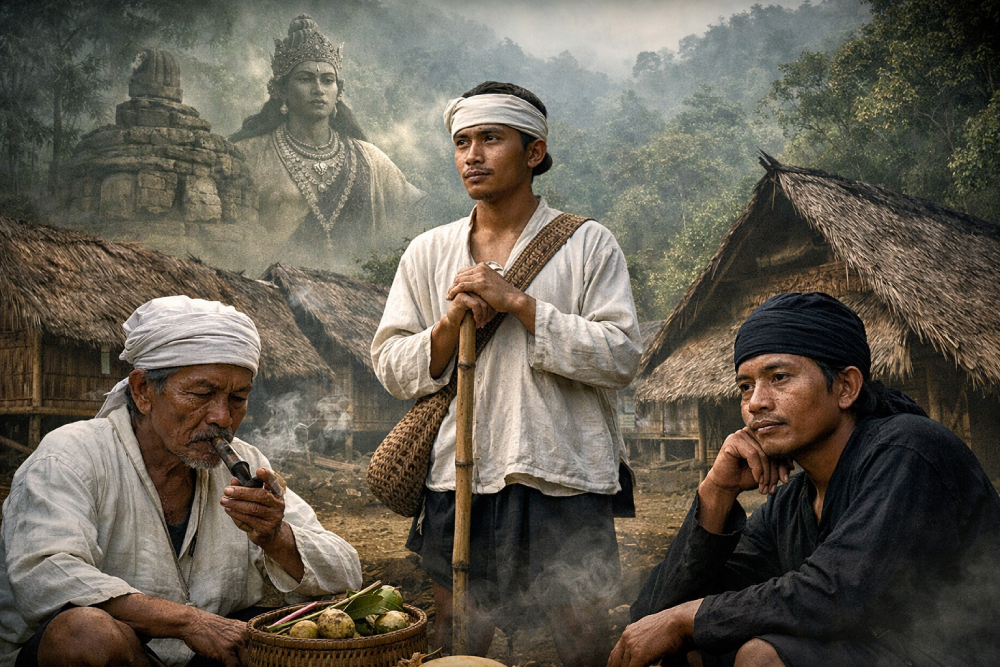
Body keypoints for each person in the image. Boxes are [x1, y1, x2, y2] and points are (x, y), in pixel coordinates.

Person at [372, 81, 642, 667]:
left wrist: (519, 304)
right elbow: (392, 365)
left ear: (534, 152)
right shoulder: (426, 252)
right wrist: (448, 325)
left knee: (580, 632)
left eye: (490, 139)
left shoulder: (590, 244)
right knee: (455, 629)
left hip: (562, 476)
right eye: (462, 141)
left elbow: (621, 355)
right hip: (458, 478)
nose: (472, 155)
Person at [610, 292, 1000, 667]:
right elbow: (653, 615)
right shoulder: (794, 500)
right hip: (870, 649)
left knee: (760, 655)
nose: (756, 402)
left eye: (779, 377)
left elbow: (835, 593)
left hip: (952, 655)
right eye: (745, 386)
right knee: (691, 647)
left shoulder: (908, 451)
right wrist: (717, 492)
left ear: (845, 387)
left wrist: (686, 619)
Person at [0, 296, 363, 667]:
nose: (222, 417)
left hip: (201, 659)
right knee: (85, 633)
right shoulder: (70, 456)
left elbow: (345, 572)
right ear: (143, 391)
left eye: (237, 398)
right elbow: (45, 575)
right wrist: (189, 621)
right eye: (202, 394)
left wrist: (276, 536)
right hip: (112, 655)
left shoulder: (247, 464)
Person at [231, 15, 426, 272]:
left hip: (357, 294)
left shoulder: (370, 160)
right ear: (281, 90)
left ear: (338, 91)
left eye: (327, 80)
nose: (318, 89)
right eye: (305, 79)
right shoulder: (249, 155)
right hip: (269, 291)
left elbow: (413, 216)